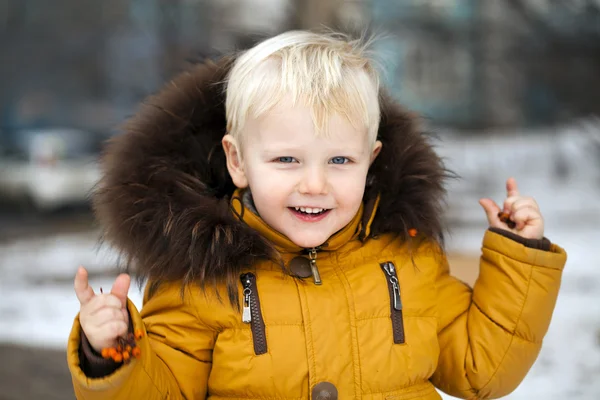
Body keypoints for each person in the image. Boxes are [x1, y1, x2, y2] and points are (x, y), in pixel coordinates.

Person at [67, 31, 567, 400]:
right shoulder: (199, 277)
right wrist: (110, 352)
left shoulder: (407, 260)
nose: (314, 184)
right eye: (286, 159)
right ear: (237, 161)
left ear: (370, 161)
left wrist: (520, 262)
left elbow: (484, 369)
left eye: (339, 161)